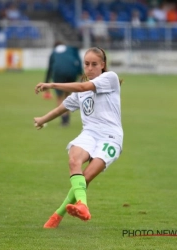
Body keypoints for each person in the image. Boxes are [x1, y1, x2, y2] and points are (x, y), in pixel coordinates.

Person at [34, 47, 123, 228]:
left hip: (111, 137)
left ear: (102, 65)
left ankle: (57, 215)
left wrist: (51, 84)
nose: (89, 68)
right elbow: (62, 108)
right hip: (89, 134)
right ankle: (82, 205)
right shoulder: (80, 94)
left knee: (86, 176)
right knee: (74, 159)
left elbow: (83, 85)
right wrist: (42, 120)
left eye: (94, 64)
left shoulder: (110, 78)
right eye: (86, 64)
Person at [43, 41, 83, 126]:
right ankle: (67, 119)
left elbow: (50, 69)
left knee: (59, 97)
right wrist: (80, 74)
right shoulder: (71, 49)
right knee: (67, 94)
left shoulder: (53, 52)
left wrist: (46, 83)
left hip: (58, 72)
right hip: (72, 71)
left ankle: (64, 119)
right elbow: (78, 61)